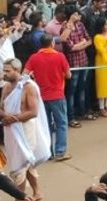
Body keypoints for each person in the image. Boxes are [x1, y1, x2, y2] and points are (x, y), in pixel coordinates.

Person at [0, 58, 50, 199]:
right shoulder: (6, 87)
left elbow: (33, 112)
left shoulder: (29, 87)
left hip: (25, 130)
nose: (4, 74)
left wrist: (13, 118)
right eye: (4, 70)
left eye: (7, 71)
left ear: (17, 70)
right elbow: (0, 109)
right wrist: (5, 116)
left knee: (21, 165)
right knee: (27, 162)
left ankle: (19, 197)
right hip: (10, 131)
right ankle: (37, 192)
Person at [23, 34, 71, 162]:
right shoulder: (60, 56)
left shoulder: (34, 58)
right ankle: (60, 152)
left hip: (41, 97)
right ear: (52, 44)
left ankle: (48, 152)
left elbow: (24, 75)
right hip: (57, 95)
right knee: (61, 123)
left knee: (46, 125)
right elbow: (68, 75)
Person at [59, 6, 92, 128]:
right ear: (71, 15)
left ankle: (82, 112)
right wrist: (82, 43)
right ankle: (71, 117)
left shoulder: (81, 25)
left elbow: (89, 40)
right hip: (73, 63)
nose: (80, 16)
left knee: (82, 88)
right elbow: (69, 47)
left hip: (83, 61)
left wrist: (80, 44)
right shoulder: (64, 27)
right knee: (71, 91)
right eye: (77, 14)